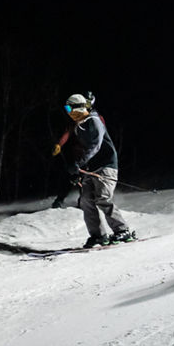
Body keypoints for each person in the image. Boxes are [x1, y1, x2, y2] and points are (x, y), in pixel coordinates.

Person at [62, 93, 136, 247]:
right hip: (92, 168)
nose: (68, 111)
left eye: (69, 107)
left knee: (103, 198)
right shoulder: (79, 125)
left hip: (106, 165)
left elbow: (95, 145)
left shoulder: (93, 121)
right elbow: (80, 150)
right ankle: (98, 236)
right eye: (66, 108)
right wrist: (77, 169)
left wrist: (80, 163)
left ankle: (122, 230)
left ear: (78, 107)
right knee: (86, 201)